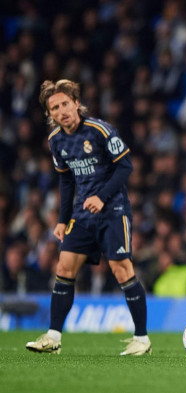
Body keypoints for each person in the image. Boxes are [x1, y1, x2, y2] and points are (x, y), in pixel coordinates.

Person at [25, 80, 151, 355]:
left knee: (122, 270)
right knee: (64, 268)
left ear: (75, 103)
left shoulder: (100, 130)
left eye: (65, 104)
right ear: (50, 114)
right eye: (54, 108)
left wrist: (102, 196)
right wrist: (62, 219)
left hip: (113, 210)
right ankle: (53, 337)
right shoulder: (55, 140)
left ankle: (142, 339)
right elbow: (66, 181)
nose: (61, 111)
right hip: (81, 215)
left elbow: (125, 167)